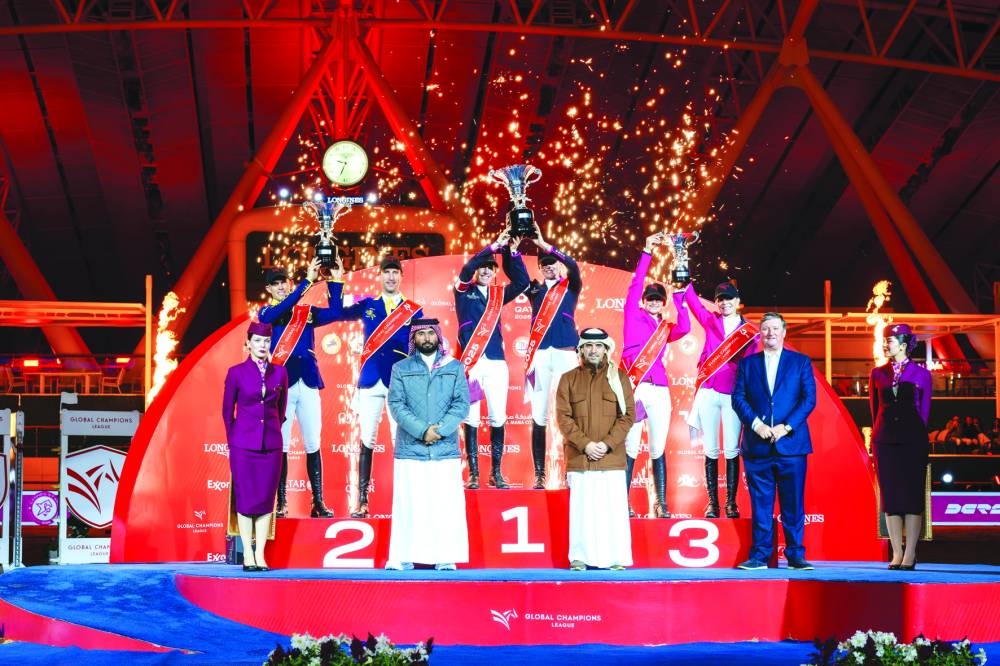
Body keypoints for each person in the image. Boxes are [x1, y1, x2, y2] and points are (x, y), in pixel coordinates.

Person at [327, 255, 422, 518]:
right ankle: (362, 502)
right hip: (370, 381)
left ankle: (405, 503)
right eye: (387, 272)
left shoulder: (414, 310)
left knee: (400, 442)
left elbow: (420, 349)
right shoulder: (368, 305)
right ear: (379, 276)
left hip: (399, 385)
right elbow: (337, 313)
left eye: (395, 272)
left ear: (401, 277)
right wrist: (337, 280)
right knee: (366, 440)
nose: (391, 277)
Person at [731, 312, 817, 571]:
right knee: (761, 504)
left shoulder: (800, 362)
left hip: (791, 446)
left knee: (793, 503)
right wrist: (756, 425)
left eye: (775, 329)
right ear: (760, 333)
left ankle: (795, 555)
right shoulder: (748, 365)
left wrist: (785, 427)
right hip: (758, 447)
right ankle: (759, 556)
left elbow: (808, 400)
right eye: (765, 328)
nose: (770, 333)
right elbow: (738, 398)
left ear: (784, 332)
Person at [384, 318, 470, 571]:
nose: (426, 339)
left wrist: (440, 430)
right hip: (411, 450)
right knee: (409, 503)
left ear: (438, 336)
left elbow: (461, 404)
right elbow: (396, 405)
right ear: (414, 339)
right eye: (420, 334)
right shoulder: (400, 368)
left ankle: (445, 555)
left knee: (445, 504)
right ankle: (403, 556)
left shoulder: (454, 367)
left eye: (430, 333)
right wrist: (423, 431)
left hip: (445, 450)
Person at [258, 258, 339, 518]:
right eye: (276, 284)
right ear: (269, 290)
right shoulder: (264, 313)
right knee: (280, 444)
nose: (281, 286)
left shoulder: (306, 312)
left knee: (313, 442)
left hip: (309, 381)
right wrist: (306, 282)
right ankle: (281, 502)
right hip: (280, 386)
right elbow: (276, 312)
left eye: (284, 282)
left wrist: (335, 281)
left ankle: (319, 502)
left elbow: (335, 312)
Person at [621, 233, 691, 517]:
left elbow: (684, 327)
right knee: (629, 444)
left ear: (663, 303)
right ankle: (622, 502)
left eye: (657, 299)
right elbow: (636, 284)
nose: (652, 302)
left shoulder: (666, 326)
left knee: (657, 445)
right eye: (649, 298)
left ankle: (660, 503)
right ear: (643, 301)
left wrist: (680, 294)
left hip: (660, 390)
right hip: (636, 389)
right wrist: (647, 252)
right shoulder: (632, 314)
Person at [556, 328, 636, 571]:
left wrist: (606, 444)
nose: (593, 350)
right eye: (588, 346)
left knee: (612, 511)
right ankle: (580, 557)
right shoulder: (568, 379)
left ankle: (616, 558)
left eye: (598, 346)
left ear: (606, 349)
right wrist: (586, 444)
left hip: (611, 458)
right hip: (581, 458)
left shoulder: (619, 377)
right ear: (580, 349)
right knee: (583, 512)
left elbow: (628, 416)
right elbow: (563, 418)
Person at [455, 230, 529, 489]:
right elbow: (467, 269)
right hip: (472, 363)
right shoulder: (463, 290)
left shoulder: (499, 294)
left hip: (496, 362)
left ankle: (496, 473)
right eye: (483, 267)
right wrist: (493, 247)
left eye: (490, 268)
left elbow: (521, 283)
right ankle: (474, 473)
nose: (486, 271)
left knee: (498, 416)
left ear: (496, 272)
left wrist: (513, 253)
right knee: (471, 417)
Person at [681, 280, 757, 518]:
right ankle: (713, 503)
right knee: (711, 448)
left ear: (737, 301)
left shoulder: (749, 332)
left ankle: (731, 503)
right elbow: (693, 303)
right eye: (720, 299)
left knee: (731, 448)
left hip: (732, 394)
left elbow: (751, 366)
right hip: (708, 392)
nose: (724, 303)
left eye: (729, 299)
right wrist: (685, 280)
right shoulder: (711, 320)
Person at [222, 321, 288, 572]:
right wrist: (234, 439)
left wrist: (272, 432)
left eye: (266, 341)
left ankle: (260, 554)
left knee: (264, 500)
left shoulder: (280, 373)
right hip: (243, 445)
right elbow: (227, 411)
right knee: (246, 501)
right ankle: (247, 554)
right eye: (258, 341)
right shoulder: (236, 372)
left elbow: (280, 410)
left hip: (271, 445)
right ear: (248, 343)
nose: (262, 345)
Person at [523, 224, 582, 489]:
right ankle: (539, 474)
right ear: (540, 268)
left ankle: (571, 471)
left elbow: (575, 266)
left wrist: (545, 244)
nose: (548, 266)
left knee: (570, 413)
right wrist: (513, 248)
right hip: (539, 356)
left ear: (558, 265)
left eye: (552, 263)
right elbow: (514, 272)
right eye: (544, 264)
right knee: (539, 414)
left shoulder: (570, 287)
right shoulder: (534, 290)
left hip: (566, 355)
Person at [869, 323, 931, 571]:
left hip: (913, 440)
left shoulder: (922, 374)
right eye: (885, 340)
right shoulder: (877, 373)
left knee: (912, 495)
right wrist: (876, 438)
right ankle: (897, 553)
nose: (886, 344)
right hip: (885, 441)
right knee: (891, 497)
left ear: (904, 344)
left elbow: (925, 410)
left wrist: (917, 436)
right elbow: (875, 410)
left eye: (890, 340)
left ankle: (911, 553)